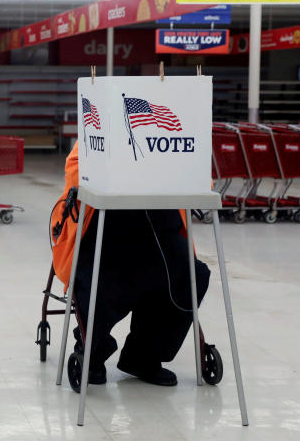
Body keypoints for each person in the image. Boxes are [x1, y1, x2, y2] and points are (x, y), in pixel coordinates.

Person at [50, 142, 210, 388]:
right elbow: (76, 173)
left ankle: (144, 356)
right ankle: (92, 352)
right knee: (99, 282)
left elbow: (199, 178)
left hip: (159, 228)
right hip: (106, 229)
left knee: (189, 277)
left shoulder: (172, 131)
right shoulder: (97, 130)